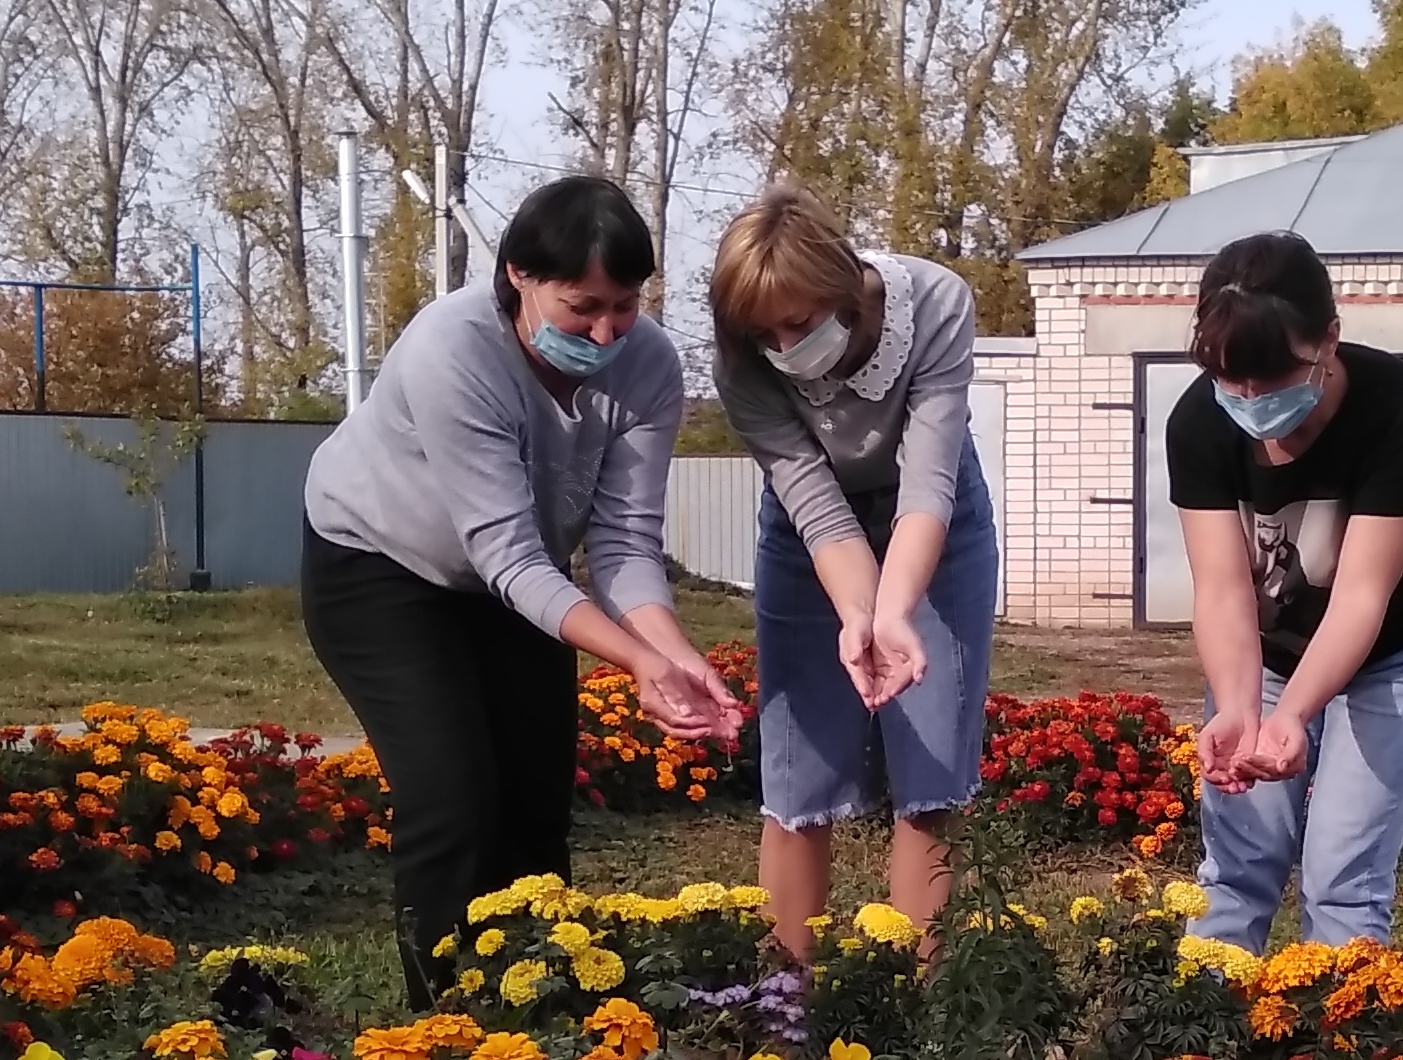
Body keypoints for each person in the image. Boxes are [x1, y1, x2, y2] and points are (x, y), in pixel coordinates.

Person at [301, 175, 745, 1001]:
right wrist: (632, 662)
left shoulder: (646, 366)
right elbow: (505, 555)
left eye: (626, 304)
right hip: (381, 570)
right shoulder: (451, 349)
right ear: (518, 276)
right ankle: (440, 1025)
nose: (607, 332)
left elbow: (621, 543)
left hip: (522, 581)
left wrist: (672, 655)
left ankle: (540, 1005)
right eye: (582, 308)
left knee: (535, 807)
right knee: (453, 798)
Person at [707, 185, 997, 959]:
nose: (782, 346)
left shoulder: (934, 300)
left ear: (840, 289)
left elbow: (928, 480)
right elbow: (814, 503)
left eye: (797, 324)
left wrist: (893, 612)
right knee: (796, 776)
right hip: (810, 538)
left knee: (929, 770)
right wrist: (857, 614)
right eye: (763, 333)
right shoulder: (741, 362)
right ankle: (784, 1005)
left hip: (936, 523)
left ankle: (922, 1004)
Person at [1165, 230, 1403, 953]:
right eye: (1229, 380)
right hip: (1266, 648)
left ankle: (1336, 1050)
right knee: (1238, 859)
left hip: (1396, 645)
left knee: (1343, 869)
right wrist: (1241, 710)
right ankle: (1203, 1043)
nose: (1247, 401)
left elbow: (1362, 596)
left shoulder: (1391, 405)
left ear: (1328, 340)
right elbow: (1220, 589)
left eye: (1271, 380)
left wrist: (1295, 714)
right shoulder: (1198, 421)